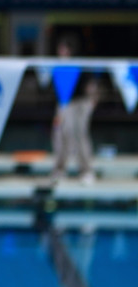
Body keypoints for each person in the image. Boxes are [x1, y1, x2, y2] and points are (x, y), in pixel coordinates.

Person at [50, 34, 99, 185]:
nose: (61, 52)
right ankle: (59, 169)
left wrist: (92, 102)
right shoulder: (56, 66)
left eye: (63, 49)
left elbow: (91, 85)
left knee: (79, 135)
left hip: (80, 103)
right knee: (60, 135)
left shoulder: (81, 64)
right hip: (64, 104)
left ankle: (86, 171)